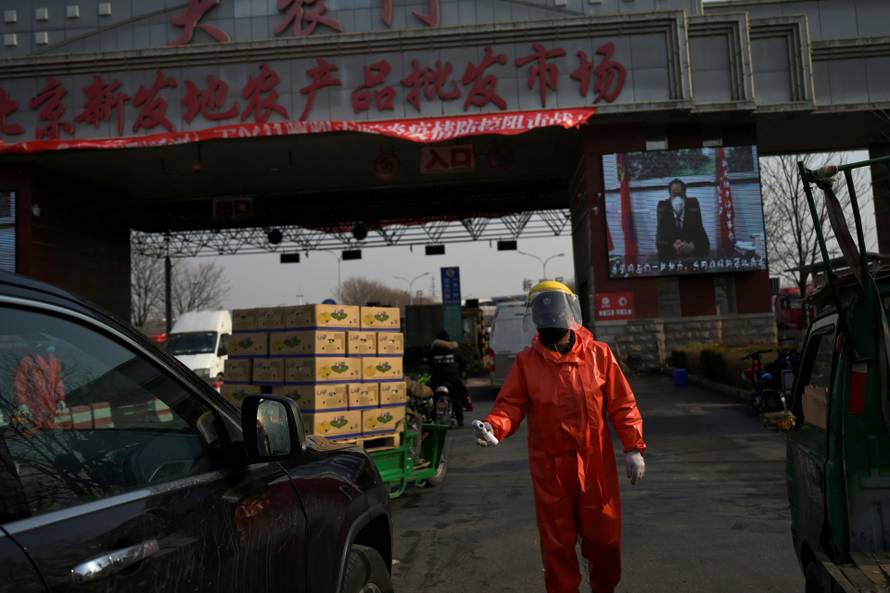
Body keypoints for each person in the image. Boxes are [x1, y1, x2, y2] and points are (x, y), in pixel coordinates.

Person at [473, 281, 646, 593]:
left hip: (595, 466)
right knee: (557, 547)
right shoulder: (527, 364)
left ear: (569, 316)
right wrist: (494, 427)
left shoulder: (598, 355)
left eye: (554, 315)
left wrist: (633, 446)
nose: (549, 324)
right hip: (551, 469)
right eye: (543, 317)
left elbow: (622, 403)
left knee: (605, 541)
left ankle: (604, 588)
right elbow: (510, 405)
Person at [655, 178, 710, 260]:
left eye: (680, 195)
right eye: (674, 195)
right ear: (670, 198)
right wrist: (673, 247)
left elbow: (705, 244)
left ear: (685, 197)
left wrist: (692, 247)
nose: (677, 199)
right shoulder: (664, 210)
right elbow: (660, 244)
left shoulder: (692, 210)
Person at [429, 330, 467, 427]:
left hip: (438, 380)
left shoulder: (433, 350)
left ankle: (432, 419)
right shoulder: (454, 349)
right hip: (452, 379)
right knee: (456, 397)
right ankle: (460, 419)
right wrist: (461, 371)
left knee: (432, 397)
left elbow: (430, 365)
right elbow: (463, 361)